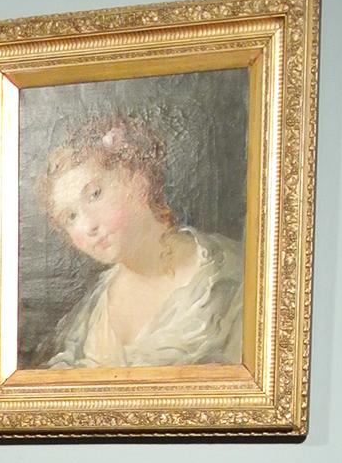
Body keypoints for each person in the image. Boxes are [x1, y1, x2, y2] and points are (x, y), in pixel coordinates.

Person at [36, 114, 243, 369]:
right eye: (70, 217)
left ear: (138, 178)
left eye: (95, 194)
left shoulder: (228, 279)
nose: (88, 226)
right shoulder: (90, 311)